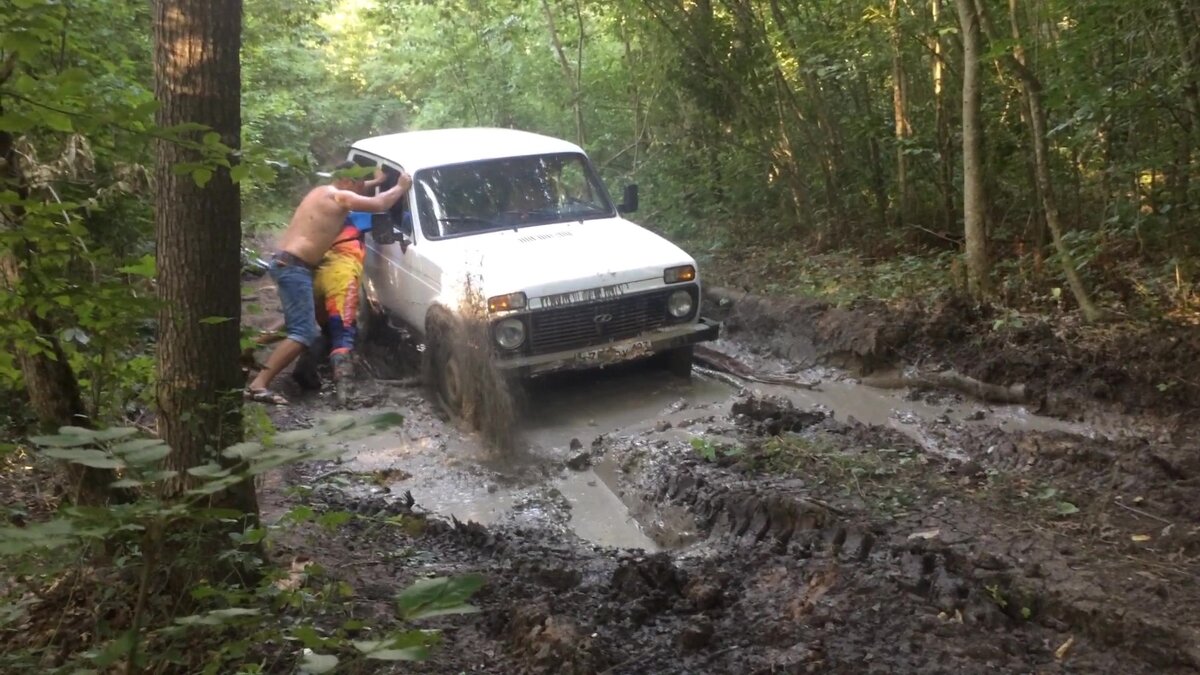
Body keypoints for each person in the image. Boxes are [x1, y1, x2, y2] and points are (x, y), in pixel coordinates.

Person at [246, 161, 411, 404]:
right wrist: (400, 186)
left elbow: (359, 189)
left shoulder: (319, 192)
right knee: (303, 332)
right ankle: (259, 385)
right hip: (295, 268)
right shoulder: (339, 197)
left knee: (296, 323)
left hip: (286, 263)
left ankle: (245, 352)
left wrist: (376, 181)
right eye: (355, 184)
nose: (358, 189)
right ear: (345, 181)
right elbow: (379, 204)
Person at [311, 210, 374, 403]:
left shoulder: (318, 219)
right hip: (341, 276)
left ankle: (305, 374)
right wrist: (400, 187)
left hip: (317, 274)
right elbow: (397, 218)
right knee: (344, 332)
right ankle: (346, 393)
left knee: (318, 329)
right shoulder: (354, 217)